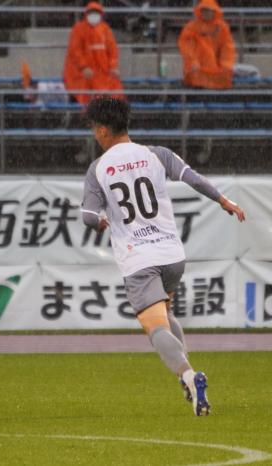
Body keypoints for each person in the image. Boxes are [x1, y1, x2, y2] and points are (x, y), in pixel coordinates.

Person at [80, 97, 246, 416]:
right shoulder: (156, 154)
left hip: (138, 259)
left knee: (155, 329)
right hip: (171, 254)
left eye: (93, 129)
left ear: (102, 130)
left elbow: (88, 216)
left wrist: (100, 222)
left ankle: (188, 375)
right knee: (165, 315)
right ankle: (187, 378)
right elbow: (193, 178)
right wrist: (224, 201)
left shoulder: (98, 168)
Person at [63, 2, 124, 105]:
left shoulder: (105, 29)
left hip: (102, 70)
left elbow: (112, 50)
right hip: (84, 72)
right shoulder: (79, 29)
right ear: (86, 14)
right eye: (91, 12)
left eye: (96, 12)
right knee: (85, 88)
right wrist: (84, 67)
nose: (94, 15)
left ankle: (110, 108)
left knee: (113, 86)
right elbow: (75, 51)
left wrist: (113, 67)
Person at [178, 0, 236, 90]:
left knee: (226, 74)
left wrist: (226, 65)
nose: (206, 13)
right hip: (198, 69)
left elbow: (227, 49)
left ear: (214, 12)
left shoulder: (222, 28)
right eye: (203, 10)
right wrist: (193, 62)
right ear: (200, 11)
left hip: (217, 70)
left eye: (208, 10)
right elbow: (187, 47)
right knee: (195, 75)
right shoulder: (191, 27)